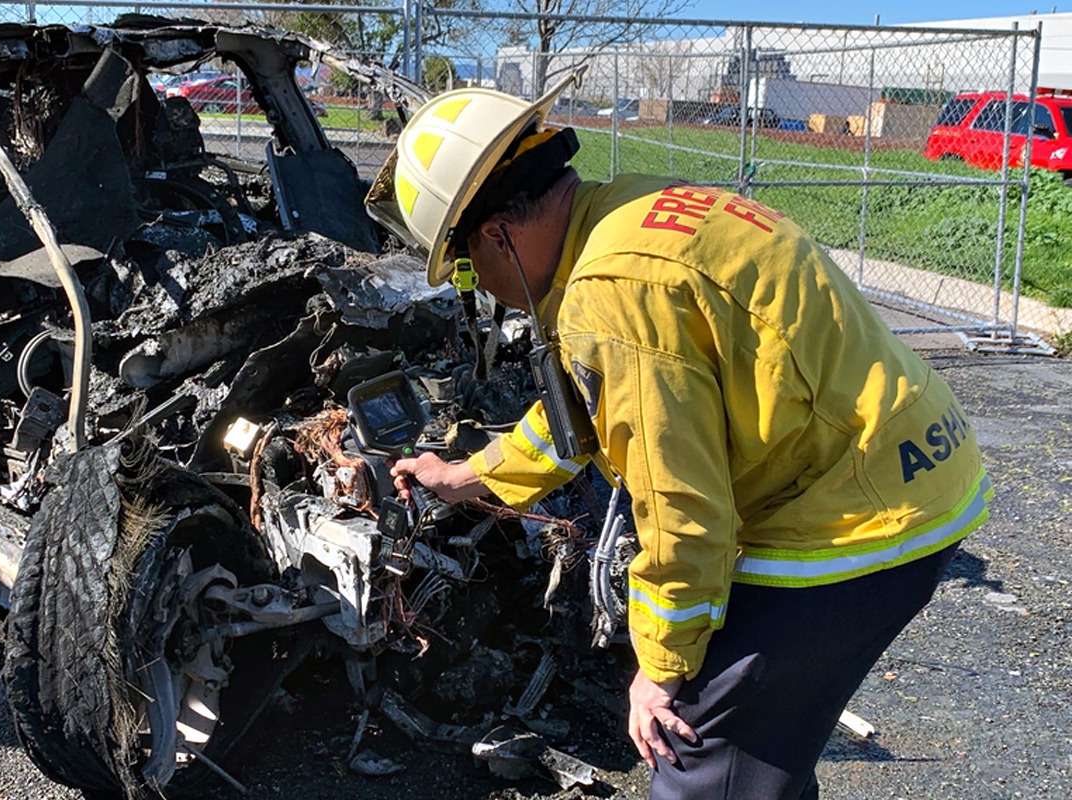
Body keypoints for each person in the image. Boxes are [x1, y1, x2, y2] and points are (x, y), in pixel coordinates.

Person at [370, 75, 990, 799]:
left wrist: (658, 672)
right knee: (763, 754)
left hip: (852, 516)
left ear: (497, 234)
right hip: (907, 465)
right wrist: (467, 476)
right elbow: (585, 413)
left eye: (471, 269)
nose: (485, 288)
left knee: (700, 756)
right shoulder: (628, 208)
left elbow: (680, 514)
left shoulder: (611, 293)